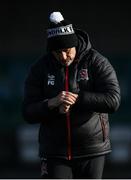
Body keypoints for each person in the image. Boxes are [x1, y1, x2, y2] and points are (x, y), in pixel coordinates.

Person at [22, 11, 121, 179]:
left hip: (92, 150)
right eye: (57, 52)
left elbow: (113, 100)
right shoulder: (40, 68)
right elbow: (27, 112)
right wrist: (51, 104)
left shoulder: (97, 62)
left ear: (75, 44)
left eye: (67, 50)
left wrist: (78, 98)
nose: (63, 56)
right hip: (54, 152)